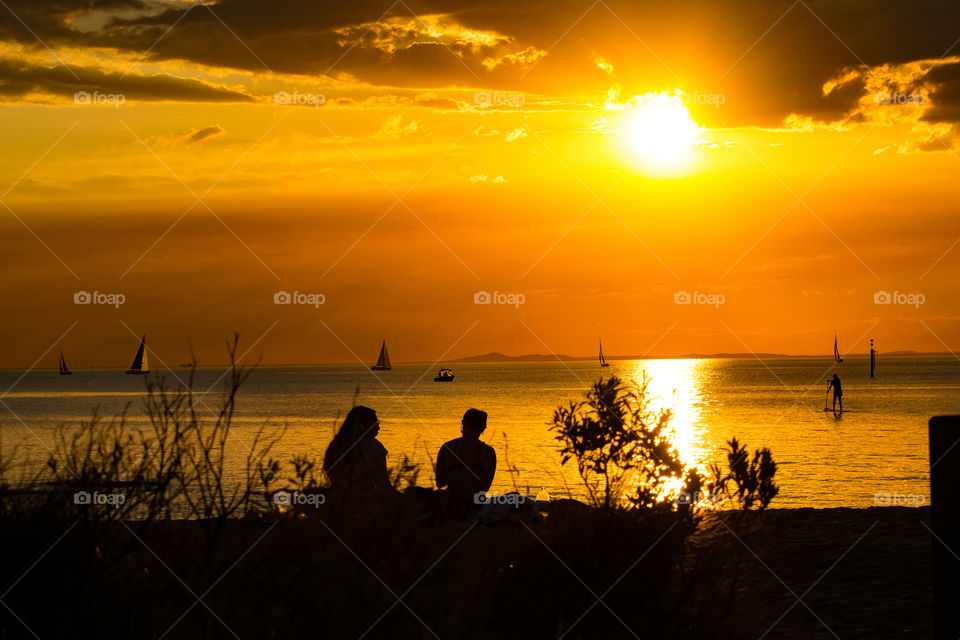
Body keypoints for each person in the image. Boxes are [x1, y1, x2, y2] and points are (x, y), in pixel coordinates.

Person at [323, 406, 392, 499]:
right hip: (365, 499)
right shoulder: (374, 446)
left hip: (338, 498)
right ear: (363, 425)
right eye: (375, 423)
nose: (378, 427)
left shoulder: (335, 445)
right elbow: (382, 482)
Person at [436, 409, 497, 515]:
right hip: (475, 505)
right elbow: (486, 486)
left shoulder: (447, 448)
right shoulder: (489, 453)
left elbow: (440, 482)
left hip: (451, 503)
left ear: (463, 424)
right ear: (483, 428)